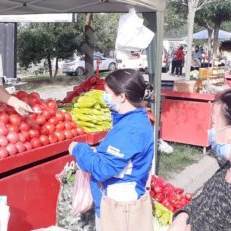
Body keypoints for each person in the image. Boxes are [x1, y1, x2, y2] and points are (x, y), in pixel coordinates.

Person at [68, 69, 154, 231]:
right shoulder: (134, 120)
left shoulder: (129, 129)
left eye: (107, 93)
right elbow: (120, 158)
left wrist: (78, 149)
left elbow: (102, 169)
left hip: (119, 207)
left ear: (122, 97)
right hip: (123, 200)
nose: (104, 97)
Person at [169, 89, 231, 231]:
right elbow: (204, 199)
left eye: (214, 124)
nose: (211, 130)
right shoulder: (226, 167)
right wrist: (182, 216)